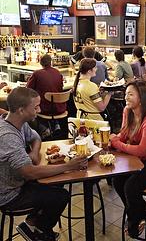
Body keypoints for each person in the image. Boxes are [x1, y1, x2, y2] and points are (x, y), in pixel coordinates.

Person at [0, 87, 87, 241]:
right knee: (61, 196)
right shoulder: (8, 136)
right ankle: (39, 231)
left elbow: (36, 137)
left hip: (20, 180)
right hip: (10, 194)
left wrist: (33, 153)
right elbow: (30, 172)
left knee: (58, 182)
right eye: (35, 107)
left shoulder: (15, 121)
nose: (39, 110)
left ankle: (33, 223)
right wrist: (69, 166)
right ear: (21, 110)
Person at [110, 80, 146, 238]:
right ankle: (139, 211)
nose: (126, 97)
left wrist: (118, 144)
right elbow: (123, 133)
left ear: (141, 98)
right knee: (117, 181)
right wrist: (114, 141)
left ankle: (134, 222)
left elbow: (142, 151)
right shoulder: (127, 111)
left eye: (130, 94)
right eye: (126, 93)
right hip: (139, 159)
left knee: (130, 187)